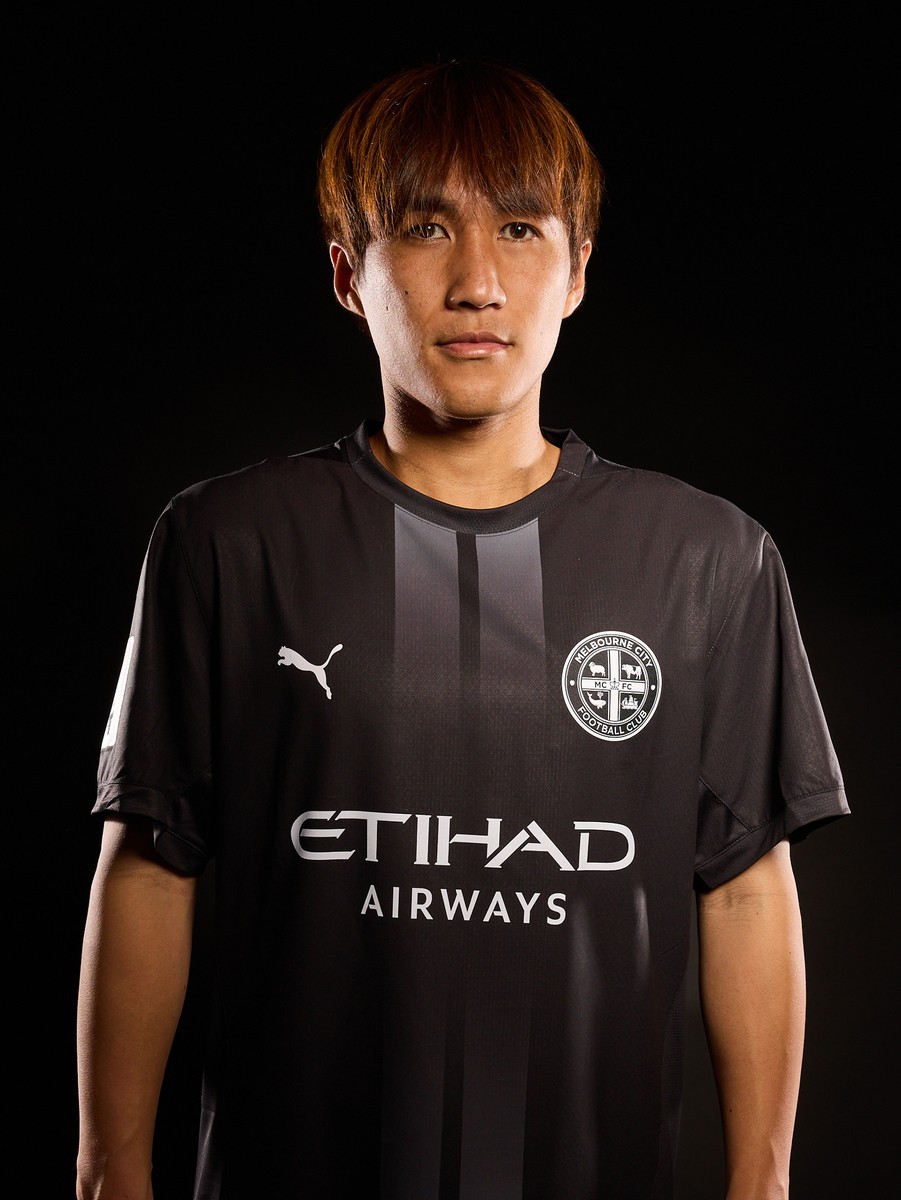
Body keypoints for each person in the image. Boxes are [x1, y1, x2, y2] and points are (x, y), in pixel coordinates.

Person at [75, 59, 849, 1200]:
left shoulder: (708, 559)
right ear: (349, 273)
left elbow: (743, 886)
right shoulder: (226, 542)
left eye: (521, 230)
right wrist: (109, 1174)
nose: (477, 282)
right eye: (426, 228)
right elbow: (150, 867)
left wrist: (762, 1185)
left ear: (577, 272)